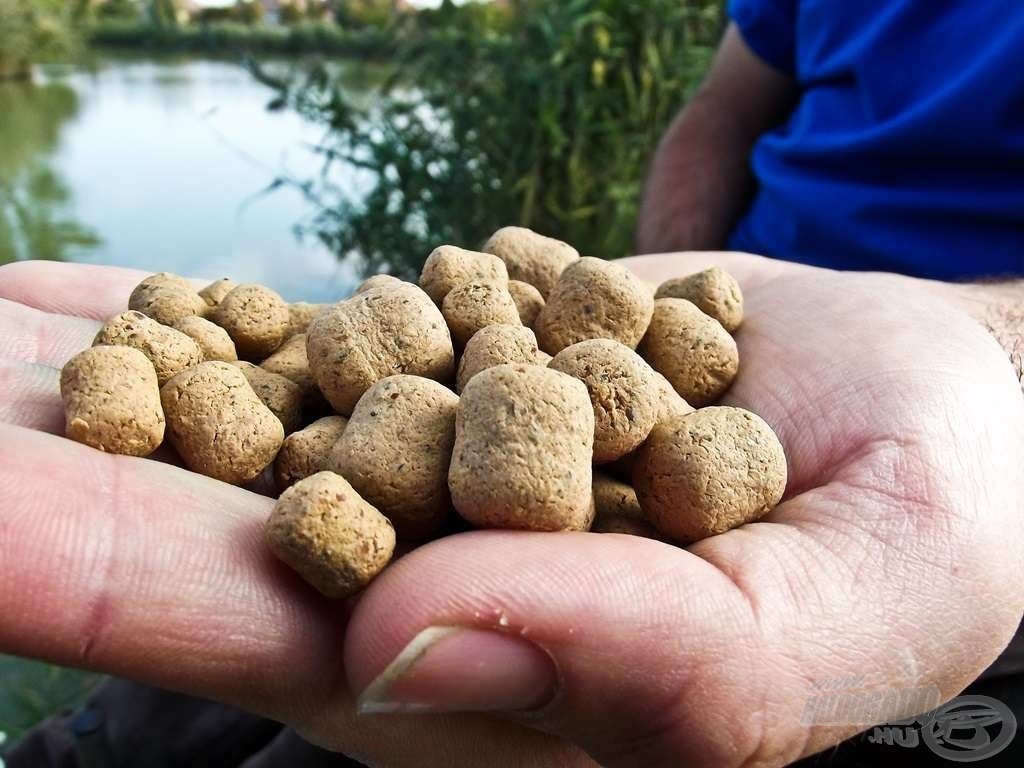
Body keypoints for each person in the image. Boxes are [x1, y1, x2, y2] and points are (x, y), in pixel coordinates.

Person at [1, 6, 1022, 768]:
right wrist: (664, 275)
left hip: (951, 440)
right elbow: (721, 107)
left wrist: (988, 339)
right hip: (723, 322)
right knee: (162, 702)